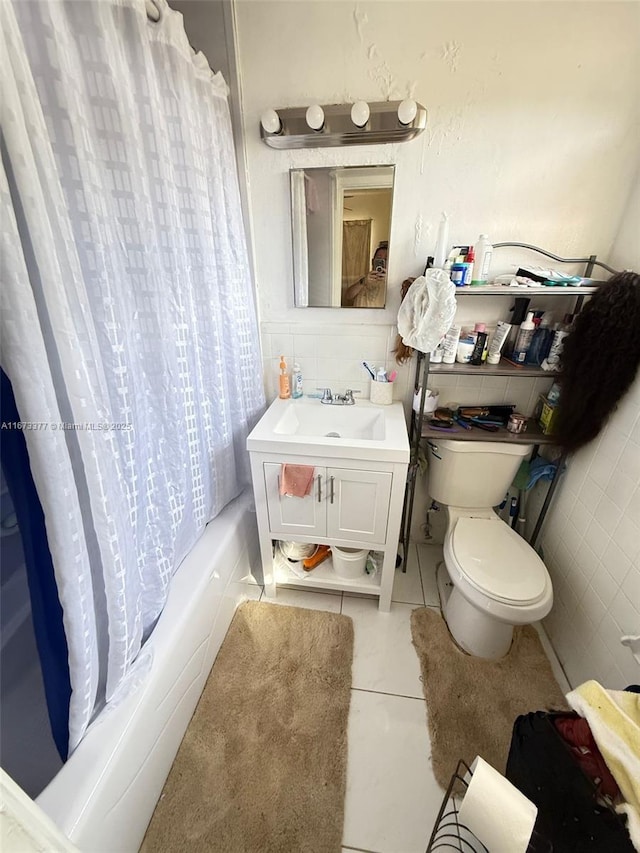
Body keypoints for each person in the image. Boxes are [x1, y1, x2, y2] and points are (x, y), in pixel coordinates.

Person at [344, 242, 387, 308]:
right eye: (379, 258)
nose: (382, 261)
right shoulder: (362, 278)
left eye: (386, 259)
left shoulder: (391, 283)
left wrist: (388, 281)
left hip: (377, 318)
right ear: (373, 261)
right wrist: (363, 281)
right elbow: (348, 296)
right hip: (357, 317)